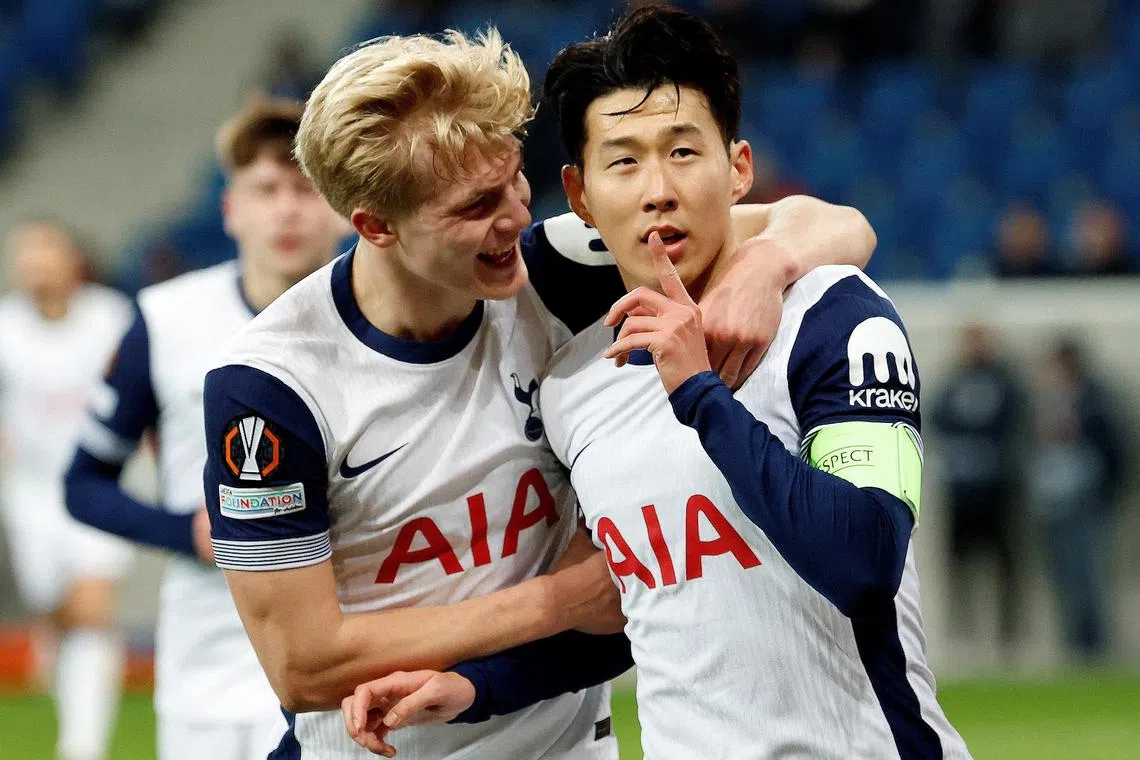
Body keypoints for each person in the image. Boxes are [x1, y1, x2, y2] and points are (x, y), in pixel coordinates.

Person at [201, 25, 879, 760]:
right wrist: (558, 600)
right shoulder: (272, 385)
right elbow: (304, 665)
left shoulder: (552, 271)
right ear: (375, 225)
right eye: (475, 205)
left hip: (567, 742)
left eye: (516, 179)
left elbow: (836, 223)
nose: (517, 217)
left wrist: (765, 266)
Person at [343, 8, 972, 759]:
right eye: (624, 162)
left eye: (682, 152)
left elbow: (865, 562)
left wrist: (701, 394)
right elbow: (646, 614)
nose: (658, 190)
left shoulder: (837, 315)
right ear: (578, 195)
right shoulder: (576, 384)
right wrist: (478, 686)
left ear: (737, 168)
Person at [63, 97, 350, 760]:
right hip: (208, 671)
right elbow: (83, 483)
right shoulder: (165, 320)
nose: (285, 209)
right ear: (230, 209)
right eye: (264, 189)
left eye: (305, 188)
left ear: (339, 205)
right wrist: (187, 531)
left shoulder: (385, 314)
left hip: (350, 656)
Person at [0, 219, 133, 760]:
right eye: (25, 254)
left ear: (73, 259)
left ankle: (83, 746)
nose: (35, 264)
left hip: (99, 483)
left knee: (90, 606)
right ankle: (60, 665)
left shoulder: (110, 318)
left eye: (45, 251)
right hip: (29, 493)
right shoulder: (6, 326)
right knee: (56, 613)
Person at [932, 323, 1025, 658]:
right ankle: (965, 633)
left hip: (997, 486)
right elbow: (936, 418)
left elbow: (1016, 423)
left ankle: (1007, 635)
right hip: (961, 487)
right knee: (959, 563)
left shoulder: (1004, 381)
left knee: (1005, 562)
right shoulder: (953, 382)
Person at [1028, 337, 1124, 661]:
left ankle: (1093, 648)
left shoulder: (1096, 400)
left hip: (1086, 503)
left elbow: (1114, 450)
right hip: (1054, 504)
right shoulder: (1046, 401)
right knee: (1064, 577)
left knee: (1086, 577)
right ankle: (1075, 645)